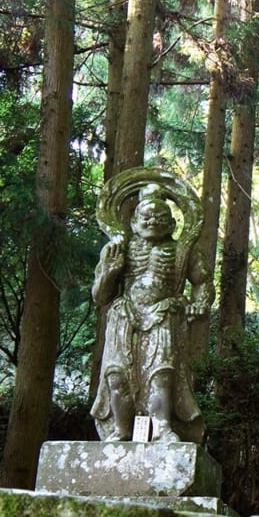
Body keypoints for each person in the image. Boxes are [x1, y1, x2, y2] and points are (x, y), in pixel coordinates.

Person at [91, 188, 213, 443]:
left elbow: (202, 281)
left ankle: (162, 427)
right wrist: (110, 273)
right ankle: (121, 429)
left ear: (171, 224)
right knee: (117, 373)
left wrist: (199, 303)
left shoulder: (183, 250)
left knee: (162, 373)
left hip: (163, 313)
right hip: (125, 314)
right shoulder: (117, 249)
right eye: (146, 217)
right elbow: (101, 297)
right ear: (133, 223)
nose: (153, 222)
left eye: (160, 217)